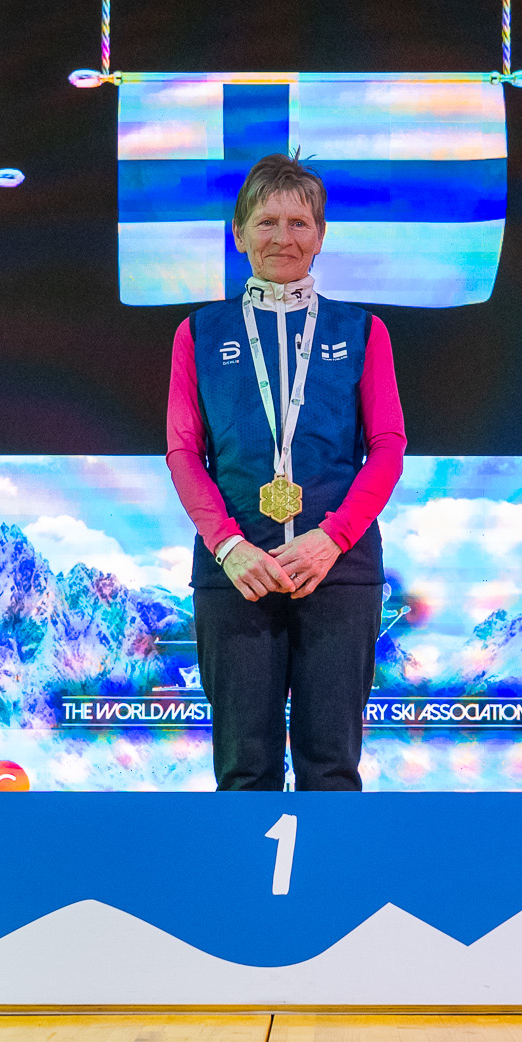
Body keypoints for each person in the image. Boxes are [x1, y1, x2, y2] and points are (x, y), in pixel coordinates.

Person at [164, 153, 406, 791]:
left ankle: (335, 868)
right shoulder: (198, 332)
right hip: (236, 572)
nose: (283, 237)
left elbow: (387, 447)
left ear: (321, 236)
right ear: (239, 233)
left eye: (299, 223)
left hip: (339, 569)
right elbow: (184, 452)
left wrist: (332, 538)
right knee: (244, 771)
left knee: (332, 768)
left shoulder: (363, 330)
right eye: (266, 222)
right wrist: (228, 545)